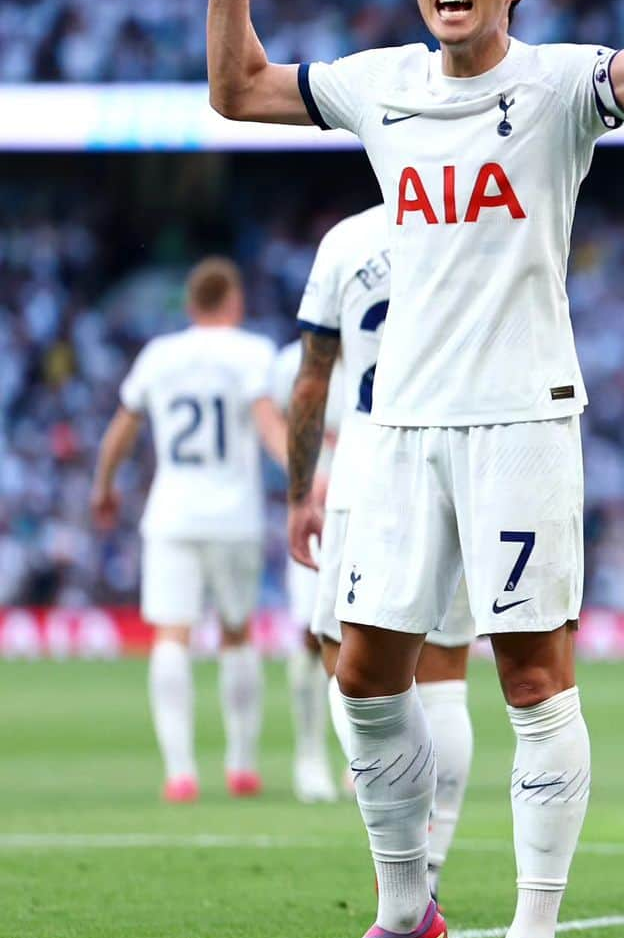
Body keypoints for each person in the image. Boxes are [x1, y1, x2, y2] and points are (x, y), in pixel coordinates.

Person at [206, 0, 624, 938]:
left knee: (532, 677)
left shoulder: (557, 85)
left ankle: (532, 934)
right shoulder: (380, 82)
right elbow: (237, 91)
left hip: (520, 420)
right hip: (394, 430)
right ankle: (405, 911)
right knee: (364, 676)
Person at [285, 205, 476, 901]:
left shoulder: (348, 239)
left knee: (351, 668)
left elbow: (313, 376)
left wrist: (298, 492)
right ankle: (427, 868)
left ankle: (401, 872)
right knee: (444, 672)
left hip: (366, 466)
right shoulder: (476, 217)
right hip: (460, 460)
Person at [90, 257, 285, 801]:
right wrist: (304, 481)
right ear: (234, 299)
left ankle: (180, 772)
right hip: (234, 516)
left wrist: (102, 486)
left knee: (171, 635)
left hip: (172, 513)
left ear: (192, 303)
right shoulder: (253, 352)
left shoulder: (160, 355)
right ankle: (241, 764)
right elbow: (270, 426)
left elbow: (121, 429)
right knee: (236, 632)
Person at [269, 337, 343, 803]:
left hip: (380, 499)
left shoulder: (390, 338)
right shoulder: (290, 362)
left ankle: (368, 757)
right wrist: (302, 467)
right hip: (317, 505)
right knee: (310, 633)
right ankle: (310, 756)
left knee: (383, 633)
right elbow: (268, 414)